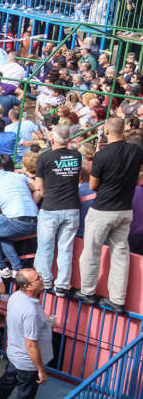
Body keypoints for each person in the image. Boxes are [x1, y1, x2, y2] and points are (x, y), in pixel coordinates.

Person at [77, 117, 143, 313]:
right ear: (123, 130)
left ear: (106, 130)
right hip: (124, 210)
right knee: (120, 255)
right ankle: (117, 299)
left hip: (103, 210)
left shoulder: (102, 154)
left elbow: (93, 185)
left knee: (91, 251)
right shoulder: (136, 151)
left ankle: (87, 291)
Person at [0, 269, 53, 399]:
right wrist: (41, 370)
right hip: (28, 364)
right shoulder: (30, 311)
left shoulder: (15, 297)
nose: (42, 278)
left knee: (6, 384)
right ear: (27, 286)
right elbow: (31, 345)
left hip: (15, 354)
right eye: (38, 278)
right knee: (24, 398)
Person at [34, 125, 81, 296]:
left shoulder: (44, 158)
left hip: (51, 208)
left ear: (53, 139)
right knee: (65, 247)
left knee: (45, 246)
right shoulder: (77, 156)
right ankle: (61, 285)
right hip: (72, 208)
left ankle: (45, 281)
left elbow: (39, 187)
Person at [0, 154, 38, 278]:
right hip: (35, 221)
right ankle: (16, 268)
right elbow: (38, 187)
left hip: (16, 222)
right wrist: (32, 202)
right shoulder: (18, 176)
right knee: (0, 230)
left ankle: (2, 266)